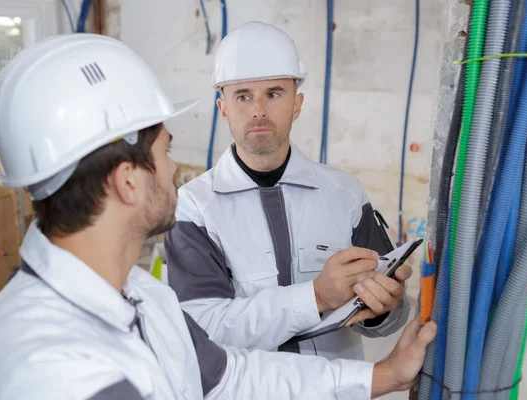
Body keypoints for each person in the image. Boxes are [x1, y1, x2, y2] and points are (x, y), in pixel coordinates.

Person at [0, 33, 435, 400]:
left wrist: (383, 374)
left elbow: (229, 374)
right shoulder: (55, 369)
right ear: (128, 181)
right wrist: (314, 297)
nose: (174, 169)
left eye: (274, 93)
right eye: (166, 149)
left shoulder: (145, 298)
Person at [165, 20, 411, 358]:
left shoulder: (345, 193)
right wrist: (317, 297)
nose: (259, 111)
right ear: (223, 108)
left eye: (274, 94)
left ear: (297, 104)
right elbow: (201, 328)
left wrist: (385, 306)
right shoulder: (194, 207)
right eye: (243, 96)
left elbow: (389, 316)